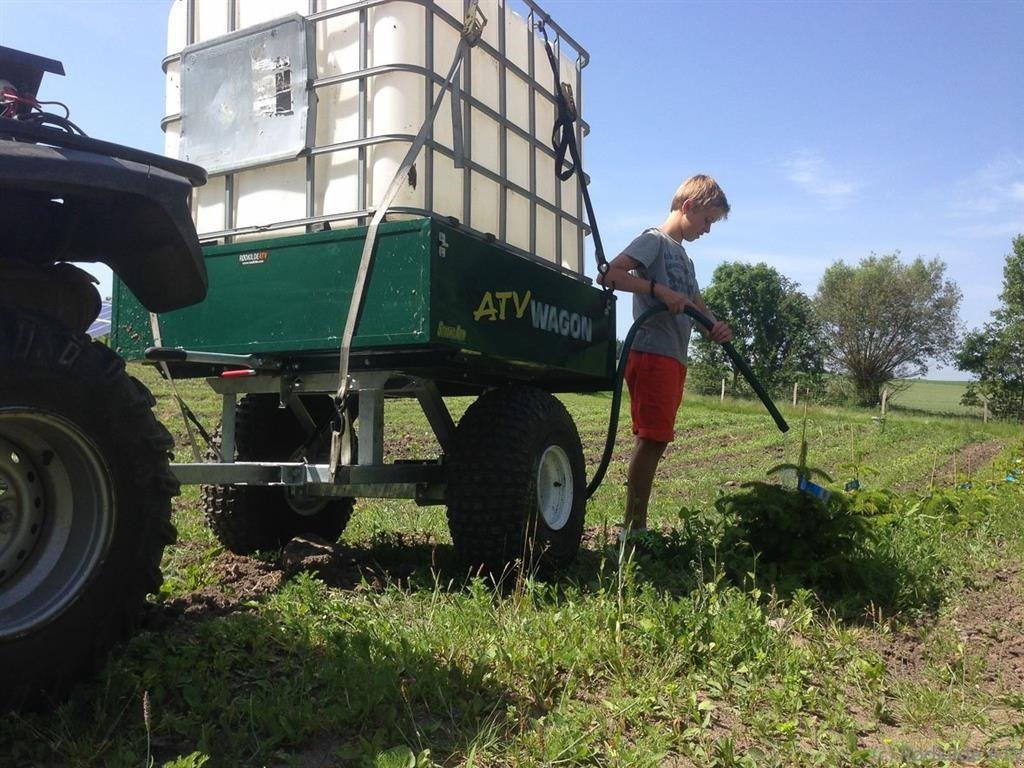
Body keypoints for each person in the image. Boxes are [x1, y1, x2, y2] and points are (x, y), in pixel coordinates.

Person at [597, 174, 734, 541]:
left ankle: (636, 526)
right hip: (652, 351)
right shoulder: (653, 242)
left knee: (658, 440)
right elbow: (610, 274)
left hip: (674, 357)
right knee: (652, 439)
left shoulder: (685, 260)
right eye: (707, 220)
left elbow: (697, 308)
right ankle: (633, 529)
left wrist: (716, 328)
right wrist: (657, 289)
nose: (708, 229)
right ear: (688, 207)